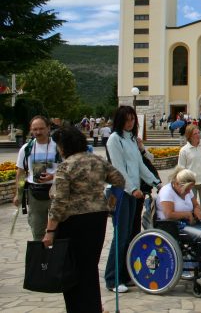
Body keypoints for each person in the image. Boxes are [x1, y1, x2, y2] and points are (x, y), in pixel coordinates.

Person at [43, 125, 125, 313]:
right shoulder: (97, 160)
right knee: (89, 268)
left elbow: (60, 202)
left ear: (64, 146)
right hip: (97, 220)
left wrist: (49, 231)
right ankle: (93, 307)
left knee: (71, 270)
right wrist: (110, 202)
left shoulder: (66, 166)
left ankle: (77, 308)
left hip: (73, 222)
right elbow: (119, 180)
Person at [104, 106, 161, 293]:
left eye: (132, 120)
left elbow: (140, 166)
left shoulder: (130, 139)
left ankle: (126, 275)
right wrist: (133, 188)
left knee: (130, 235)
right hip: (120, 193)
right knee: (120, 236)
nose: (130, 123)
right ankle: (113, 279)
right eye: (127, 120)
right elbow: (118, 168)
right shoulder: (115, 140)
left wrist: (156, 182)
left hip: (133, 193)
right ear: (120, 120)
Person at [13, 116, 61, 241]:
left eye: (41, 128)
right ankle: (41, 258)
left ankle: (56, 258)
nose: (38, 132)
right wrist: (18, 193)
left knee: (59, 230)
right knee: (37, 230)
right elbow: (21, 173)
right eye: (35, 129)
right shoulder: (26, 149)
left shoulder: (58, 147)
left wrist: (53, 176)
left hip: (56, 192)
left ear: (48, 128)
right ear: (31, 130)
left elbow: (68, 169)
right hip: (35, 194)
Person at [177, 125, 201, 226]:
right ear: (189, 136)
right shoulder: (184, 150)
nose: (198, 135)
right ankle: (194, 231)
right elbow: (181, 168)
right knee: (191, 209)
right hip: (191, 184)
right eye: (195, 134)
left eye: (198, 133)